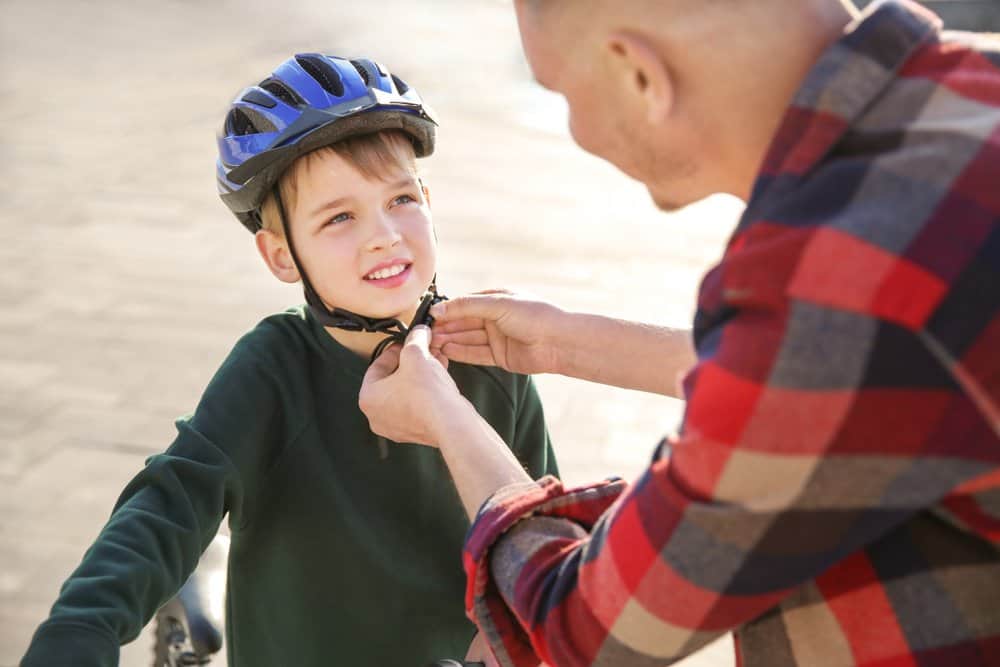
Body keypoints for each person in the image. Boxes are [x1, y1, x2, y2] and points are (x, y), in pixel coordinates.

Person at [358, 1, 1000, 666]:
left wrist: (448, 419)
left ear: (641, 75)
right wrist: (563, 341)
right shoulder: (971, 91)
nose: (576, 130)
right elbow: (872, 382)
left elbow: (583, 629)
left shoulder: (836, 275)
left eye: (561, 95)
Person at [20, 53, 557, 667]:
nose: (384, 233)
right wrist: (80, 626)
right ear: (281, 256)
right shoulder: (272, 369)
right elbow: (169, 501)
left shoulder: (491, 359)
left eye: (401, 199)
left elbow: (543, 538)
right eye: (340, 217)